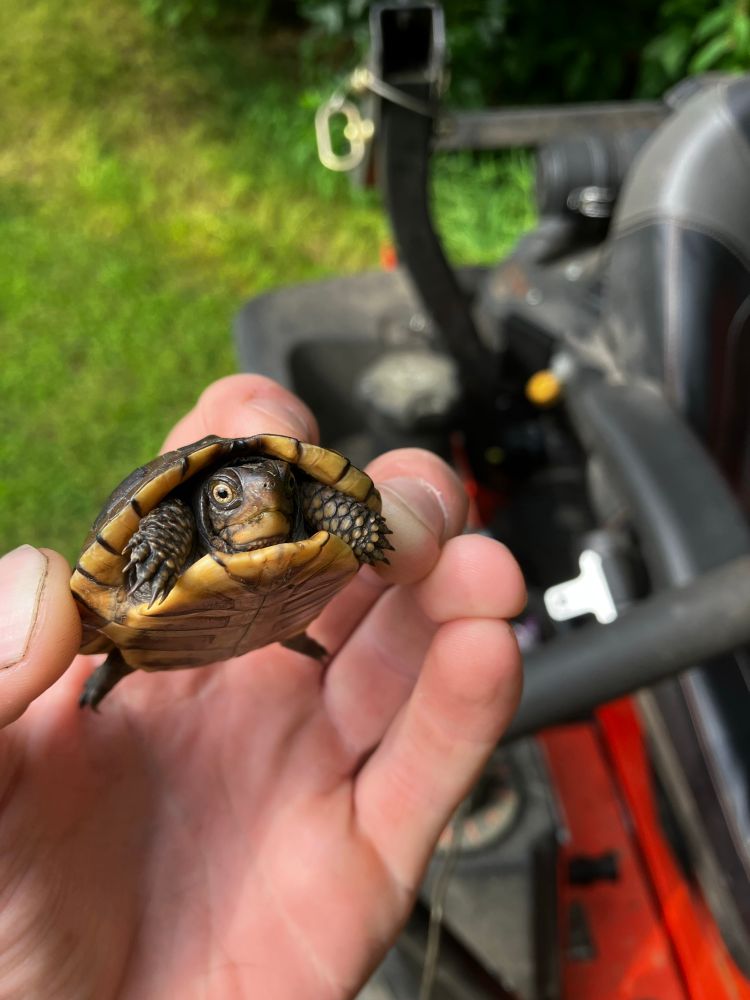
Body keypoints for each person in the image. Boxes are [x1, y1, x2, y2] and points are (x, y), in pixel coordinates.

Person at [0, 374, 525, 999]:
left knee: (411, 526)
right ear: (205, 505)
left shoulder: (305, 505)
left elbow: (349, 509)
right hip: (150, 641)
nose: (259, 498)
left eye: (275, 488)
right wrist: (161, 549)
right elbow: (118, 571)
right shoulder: (172, 518)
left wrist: (374, 532)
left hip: (285, 613)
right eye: (225, 493)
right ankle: (116, 668)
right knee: (122, 634)